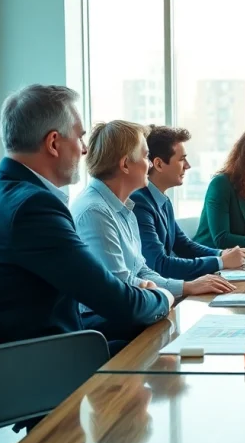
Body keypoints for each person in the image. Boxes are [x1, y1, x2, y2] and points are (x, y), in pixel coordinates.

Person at [0, 85, 172, 434]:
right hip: (28, 365)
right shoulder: (33, 207)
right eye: (79, 137)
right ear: (54, 143)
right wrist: (164, 297)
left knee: (143, 331)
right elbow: (117, 300)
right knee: (155, 343)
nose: (84, 149)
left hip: (4, 356)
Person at [71, 120, 234, 342]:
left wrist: (175, 289)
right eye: (146, 156)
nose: (150, 165)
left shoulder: (123, 206)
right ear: (125, 164)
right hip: (103, 322)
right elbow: (120, 289)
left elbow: (141, 269)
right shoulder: (95, 212)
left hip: (130, 309)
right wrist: (171, 292)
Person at [131, 125, 245, 280]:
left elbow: (184, 245)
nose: (188, 166)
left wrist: (222, 254)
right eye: (181, 159)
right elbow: (160, 265)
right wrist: (220, 262)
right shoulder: (139, 203)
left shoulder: (163, 200)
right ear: (159, 164)